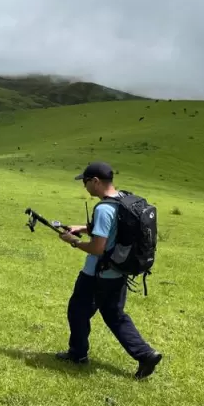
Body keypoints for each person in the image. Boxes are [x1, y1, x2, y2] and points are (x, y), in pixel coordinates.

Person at [57, 161, 163, 379]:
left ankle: (77, 354)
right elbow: (116, 227)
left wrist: (73, 241)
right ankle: (146, 354)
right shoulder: (123, 199)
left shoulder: (104, 209)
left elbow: (97, 248)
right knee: (115, 316)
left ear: (95, 181)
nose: (84, 186)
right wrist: (83, 227)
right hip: (118, 272)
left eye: (85, 182)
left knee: (77, 311)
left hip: (97, 275)